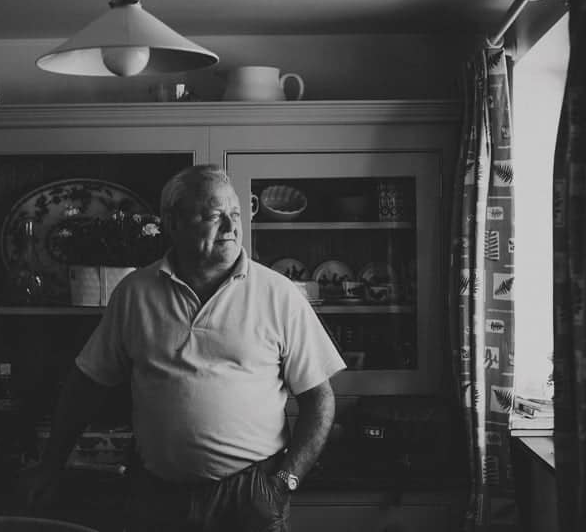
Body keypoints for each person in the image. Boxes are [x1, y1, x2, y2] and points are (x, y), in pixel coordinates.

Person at [24, 164, 346, 531]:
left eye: (236, 214)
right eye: (213, 216)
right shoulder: (136, 293)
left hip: (250, 496)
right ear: (172, 222)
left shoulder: (278, 294)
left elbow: (319, 399)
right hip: (156, 498)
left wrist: (285, 482)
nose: (231, 227)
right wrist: (51, 466)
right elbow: (87, 383)